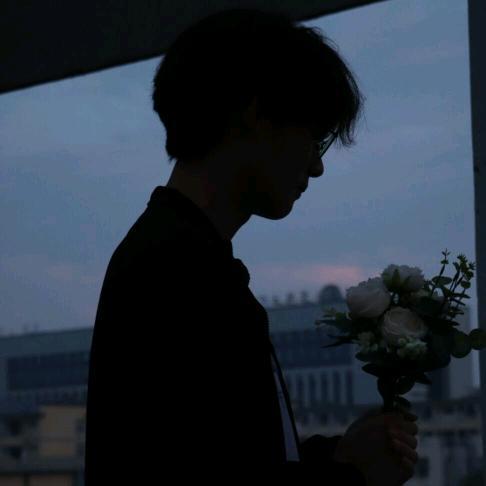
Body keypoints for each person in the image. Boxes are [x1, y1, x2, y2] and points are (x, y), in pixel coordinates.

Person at [84, 8, 418, 484]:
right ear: (257, 116)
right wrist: (351, 474)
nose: (317, 167)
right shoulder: (182, 273)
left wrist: (337, 459)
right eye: (314, 138)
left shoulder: (172, 256)